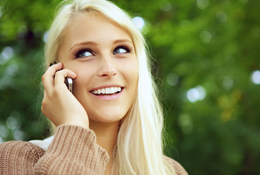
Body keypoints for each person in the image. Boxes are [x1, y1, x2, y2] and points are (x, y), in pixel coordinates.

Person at [0, 0, 188, 174]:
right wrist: (73, 126)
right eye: (85, 53)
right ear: (56, 73)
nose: (109, 69)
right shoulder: (15, 159)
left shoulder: (171, 171)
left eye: (121, 50)